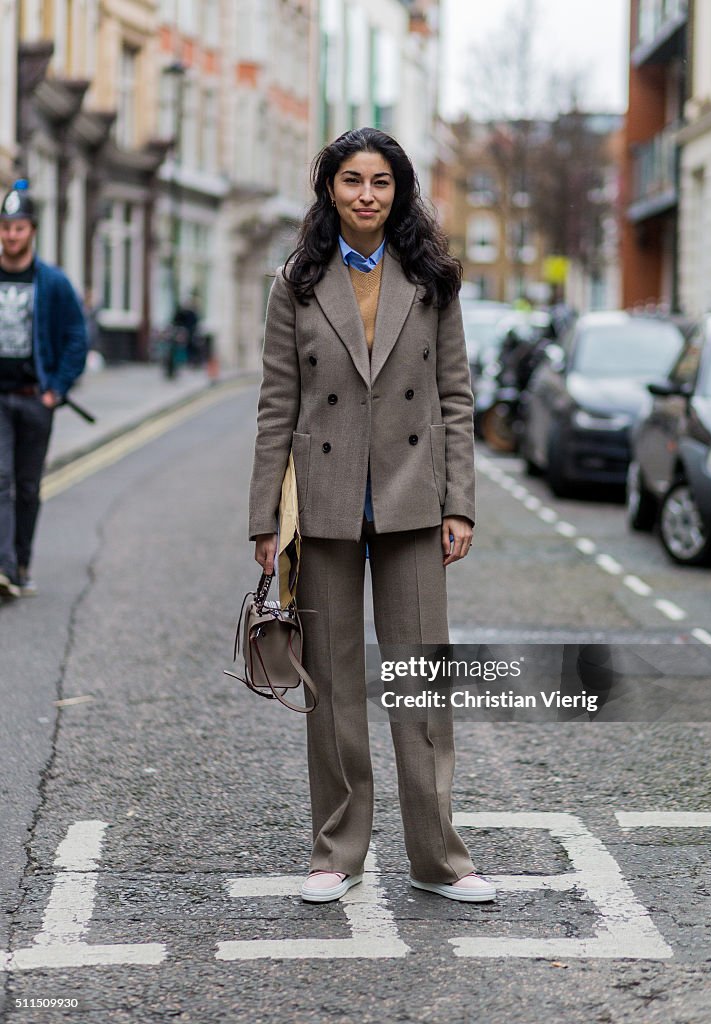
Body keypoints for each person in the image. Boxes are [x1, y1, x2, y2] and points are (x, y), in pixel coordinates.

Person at [248, 128, 496, 904]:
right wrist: (265, 519)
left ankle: (440, 860)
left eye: (381, 182)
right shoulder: (296, 281)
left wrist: (461, 504)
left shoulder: (431, 280)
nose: (366, 194)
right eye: (352, 180)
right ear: (329, 189)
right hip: (320, 504)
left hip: (412, 501)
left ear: (400, 191)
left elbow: (455, 398)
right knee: (332, 686)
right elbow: (275, 407)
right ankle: (336, 853)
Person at [0, 180, 87, 598]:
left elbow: (76, 336)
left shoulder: (51, 282)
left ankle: (20, 563)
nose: (11, 235)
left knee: (28, 486)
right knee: (0, 479)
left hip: (36, 399)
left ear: (31, 230)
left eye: (18, 227)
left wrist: (56, 389)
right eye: (5, 227)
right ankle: (3, 568)